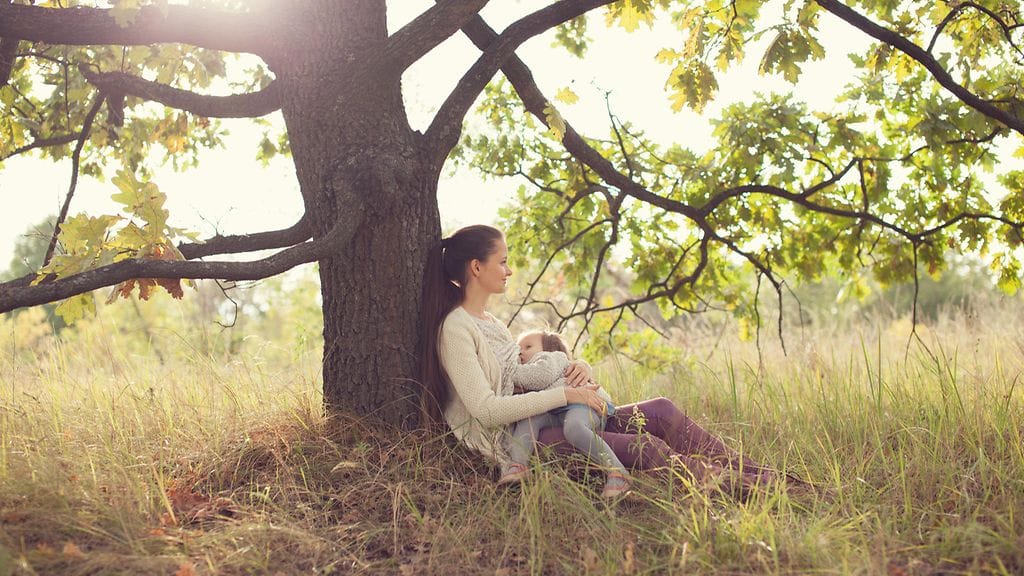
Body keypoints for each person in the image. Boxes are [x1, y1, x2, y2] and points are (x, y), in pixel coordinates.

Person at [419, 224, 793, 499]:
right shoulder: (456, 329)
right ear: (476, 267)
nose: (509, 270)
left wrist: (575, 368)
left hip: (554, 416)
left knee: (661, 410)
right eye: (503, 262)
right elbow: (486, 411)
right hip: (518, 441)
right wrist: (567, 395)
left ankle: (770, 477)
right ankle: (752, 489)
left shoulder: (493, 323)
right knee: (647, 447)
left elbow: (526, 373)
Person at [501, 330, 630, 498]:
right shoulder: (530, 370)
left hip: (584, 402)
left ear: (549, 348)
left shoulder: (552, 358)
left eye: (528, 346)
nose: (520, 352)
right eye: (518, 348)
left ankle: (618, 472)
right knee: (528, 421)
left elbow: (540, 377)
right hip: (556, 409)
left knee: (574, 427)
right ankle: (518, 465)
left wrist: (507, 371)